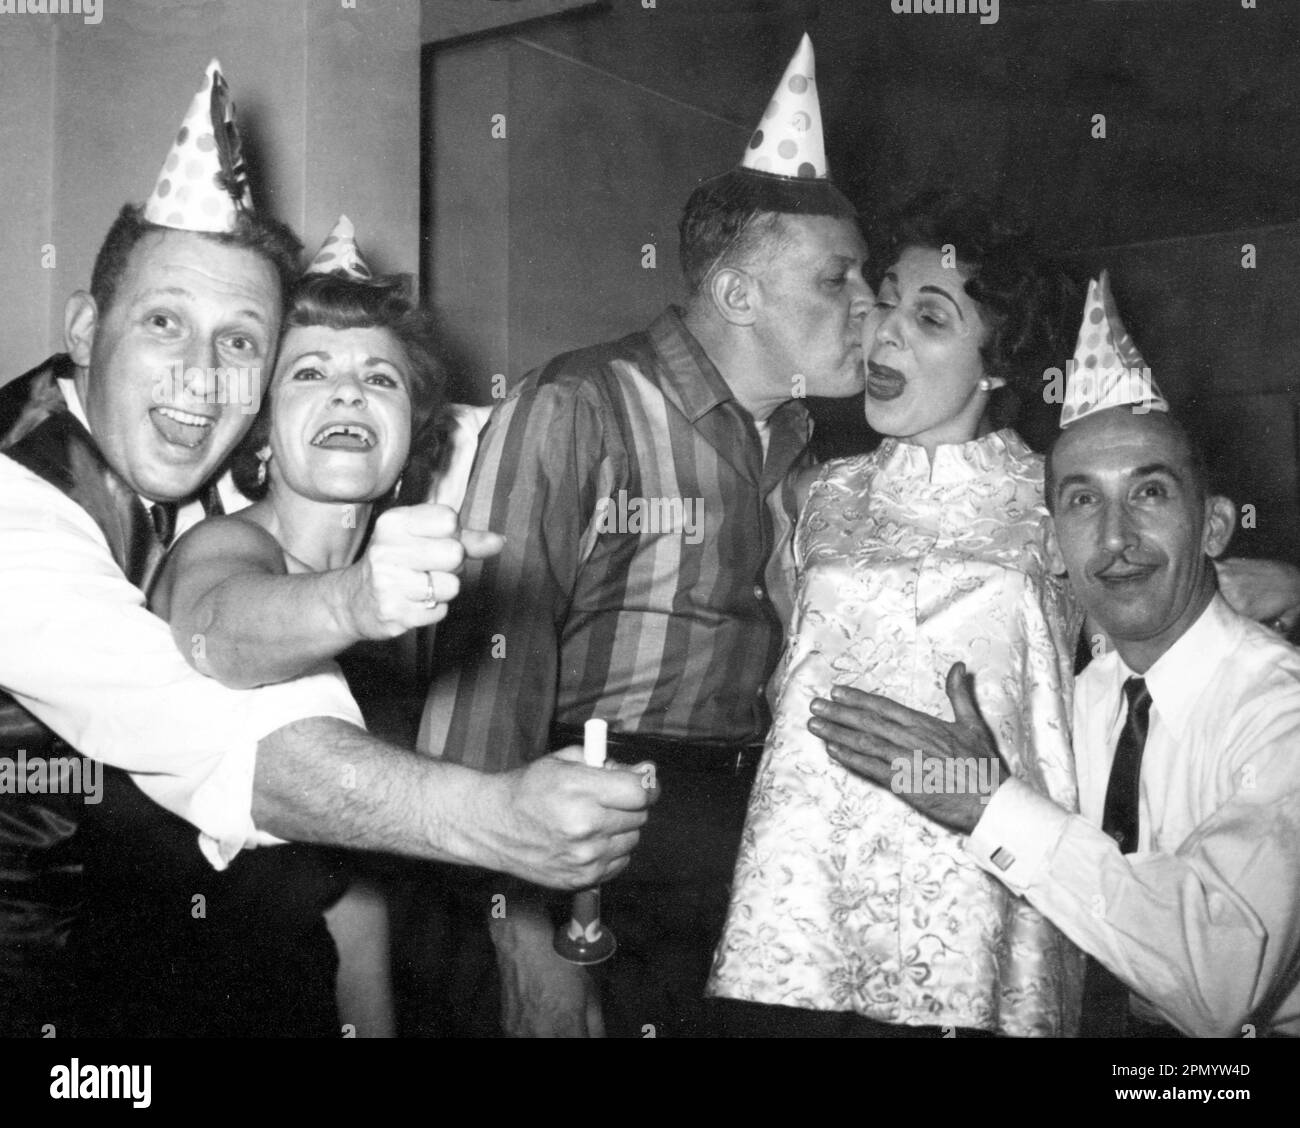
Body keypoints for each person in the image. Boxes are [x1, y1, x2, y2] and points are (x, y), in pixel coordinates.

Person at [0, 61, 652, 1037]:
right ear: (87, 330)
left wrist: (523, 934)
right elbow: (210, 700)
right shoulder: (22, 507)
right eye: (165, 322)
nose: (198, 377)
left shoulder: (217, 463)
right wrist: (499, 830)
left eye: (239, 343)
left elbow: (335, 880)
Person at [420, 34, 872, 1037]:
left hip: (763, 842)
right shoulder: (583, 402)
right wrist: (522, 929)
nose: (867, 306)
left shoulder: (805, 450)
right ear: (737, 293)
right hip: (597, 841)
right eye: (837, 281)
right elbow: (490, 674)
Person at [809, 274, 1300, 1037]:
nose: (1115, 538)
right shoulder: (1075, 702)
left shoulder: (1281, 714)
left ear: (1214, 527)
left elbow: (1221, 978)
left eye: (1149, 494)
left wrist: (989, 806)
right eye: (1081, 500)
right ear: (1055, 552)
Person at [708, 191, 1083, 1037]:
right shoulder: (816, 494)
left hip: (981, 888)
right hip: (804, 892)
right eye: (884, 299)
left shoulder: (1058, 502)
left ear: (996, 365)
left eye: (930, 316)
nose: (883, 331)